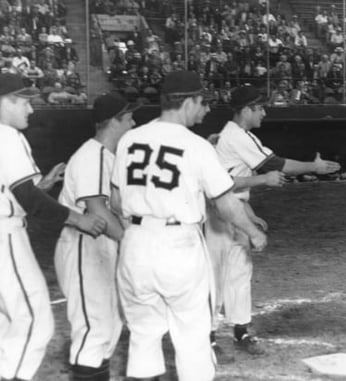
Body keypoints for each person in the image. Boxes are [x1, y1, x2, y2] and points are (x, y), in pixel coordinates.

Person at [110, 71, 267, 381]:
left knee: (143, 338)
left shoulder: (130, 139)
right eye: (202, 102)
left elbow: (116, 201)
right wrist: (253, 232)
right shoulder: (196, 146)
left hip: (135, 244)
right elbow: (225, 204)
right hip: (179, 245)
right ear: (187, 102)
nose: (205, 110)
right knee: (193, 340)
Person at [205, 84, 340, 358]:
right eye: (259, 108)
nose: (264, 113)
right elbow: (275, 165)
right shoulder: (237, 136)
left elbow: (235, 181)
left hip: (232, 207)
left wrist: (250, 214)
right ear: (245, 110)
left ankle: (240, 331)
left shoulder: (230, 135)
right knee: (214, 276)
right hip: (217, 212)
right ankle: (207, 337)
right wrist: (313, 167)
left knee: (240, 270)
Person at [0, 72, 107, 381]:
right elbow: (28, 198)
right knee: (36, 320)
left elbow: (19, 193)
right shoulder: (7, 135)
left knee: (9, 323)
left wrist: (41, 187)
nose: (30, 110)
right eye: (22, 102)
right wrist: (79, 219)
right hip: (5, 237)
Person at [54, 92, 141, 381]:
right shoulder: (92, 155)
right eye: (128, 118)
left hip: (102, 245)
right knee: (94, 327)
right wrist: (131, 243)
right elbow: (97, 211)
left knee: (108, 325)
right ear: (114, 122)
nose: (133, 123)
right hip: (84, 246)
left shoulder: (109, 156)